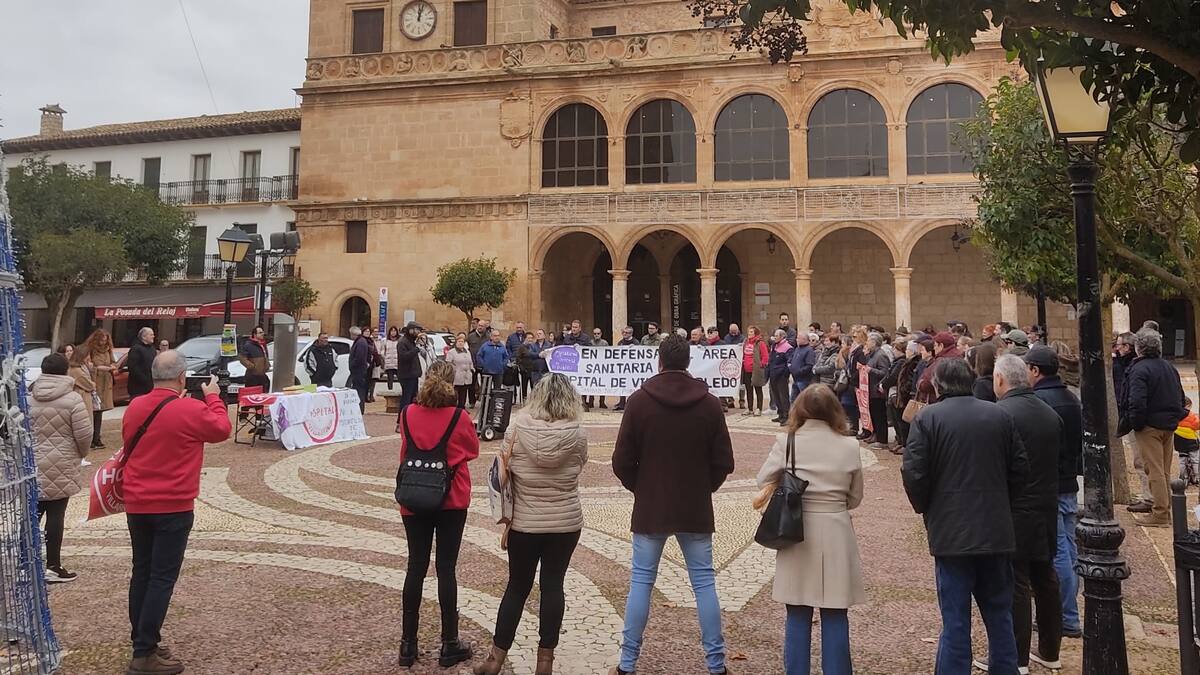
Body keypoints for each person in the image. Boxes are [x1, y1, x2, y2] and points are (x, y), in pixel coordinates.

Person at [611, 334, 735, 675]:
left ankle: (627, 664)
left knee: (641, 582)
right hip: (694, 505)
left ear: (659, 361)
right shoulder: (709, 404)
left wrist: (642, 488)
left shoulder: (638, 402)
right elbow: (724, 461)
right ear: (688, 362)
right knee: (704, 584)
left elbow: (621, 460)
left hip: (652, 505)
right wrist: (703, 488)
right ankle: (716, 665)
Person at [901, 358, 1029, 675]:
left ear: (938, 386)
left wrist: (928, 508)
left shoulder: (928, 418)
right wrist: (1002, 502)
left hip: (951, 532)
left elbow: (914, 473)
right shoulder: (998, 415)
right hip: (995, 528)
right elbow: (1020, 470)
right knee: (999, 613)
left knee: (956, 618)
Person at [122, 352, 230, 675]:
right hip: (173, 504)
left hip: (137, 502)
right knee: (161, 577)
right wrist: (213, 398)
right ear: (182, 377)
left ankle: (143, 638)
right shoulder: (190, 408)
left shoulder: (136, 406)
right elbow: (221, 429)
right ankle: (144, 652)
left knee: (141, 571)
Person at [474, 374, 588, 675]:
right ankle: (545, 662)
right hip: (565, 521)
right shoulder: (577, 433)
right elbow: (580, 466)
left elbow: (504, 468)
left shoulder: (516, 428)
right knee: (553, 587)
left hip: (524, 523)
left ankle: (495, 658)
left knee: (516, 587)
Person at [756, 385, 864, 675]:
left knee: (798, 611)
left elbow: (762, 479)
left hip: (796, 529)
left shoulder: (787, 441)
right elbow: (855, 498)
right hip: (836, 529)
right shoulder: (850, 446)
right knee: (835, 612)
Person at [396, 360, 479, 669]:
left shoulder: (407, 413)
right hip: (451, 499)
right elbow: (472, 450)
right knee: (446, 568)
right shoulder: (459, 416)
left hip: (413, 497)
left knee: (415, 566)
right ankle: (449, 643)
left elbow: (406, 449)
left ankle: (408, 644)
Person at [991, 354, 1064, 672]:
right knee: (1045, 578)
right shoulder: (1050, 414)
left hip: (1014, 507)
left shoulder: (1000, 414)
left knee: (1016, 582)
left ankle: (1016, 658)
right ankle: (1050, 651)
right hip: (1046, 505)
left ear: (1000, 380)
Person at [1025, 345, 1084, 639]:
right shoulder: (1071, 399)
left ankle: (1068, 617)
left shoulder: (1040, 402)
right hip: (1068, 482)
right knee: (1069, 551)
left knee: (1058, 553)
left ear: (1035, 370)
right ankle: (1069, 612)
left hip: (1052, 486)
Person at [31, 352, 92, 583]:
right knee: (56, 514)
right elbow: (84, 434)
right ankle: (53, 566)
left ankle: (25, 563)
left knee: (32, 514)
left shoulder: (29, 396)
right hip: (62, 461)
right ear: (65, 371)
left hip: (34, 463)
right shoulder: (73, 399)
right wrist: (80, 453)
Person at [1118, 328, 1186, 527]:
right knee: (1163, 470)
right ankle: (1164, 509)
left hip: (1150, 425)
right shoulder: (1168, 367)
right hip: (1168, 424)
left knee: (1154, 469)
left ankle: (1160, 514)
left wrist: (1137, 423)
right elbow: (1180, 396)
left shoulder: (1139, 369)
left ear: (1139, 348)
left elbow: (1136, 401)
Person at [83, 329, 117, 449]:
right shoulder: (90, 350)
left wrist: (112, 366)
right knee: (92, 411)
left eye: (106, 340)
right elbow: (88, 365)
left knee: (100, 411)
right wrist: (99, 368)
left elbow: (114, 362)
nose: (104, 342)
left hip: (105, 383)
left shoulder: (108, 350)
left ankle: (97, 437)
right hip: (95, 381)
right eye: (102, 339)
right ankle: (91, 438)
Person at [862, 334, 892, 449]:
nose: (867, 343)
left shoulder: (881, 355)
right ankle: (875, 434)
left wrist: (871, 370)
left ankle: (882, 439)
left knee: (879, 415)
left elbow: (885, 372)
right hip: (870, 389)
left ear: (874, 342)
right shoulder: (872, 355)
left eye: (869, 341)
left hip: (877, 390)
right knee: (873, 414)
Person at [67, 347, 98, 430]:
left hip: (84, 396)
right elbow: (89, 385)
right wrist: (93, 384)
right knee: (84, 422)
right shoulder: (76, 370)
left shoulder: (82, 367)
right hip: (82, 397)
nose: (88, 357)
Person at [740, 326, 769, 417]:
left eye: (751, 332)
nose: (749, 334)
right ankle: (750, 408)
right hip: (746, 370)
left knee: (758, 389)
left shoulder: (760, 343)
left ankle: (759, 408)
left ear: (755, 333)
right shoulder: (745, 342)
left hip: (756, 370)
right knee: (749, 390)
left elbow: (765, 356)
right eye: (749, 332)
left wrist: (761, 365)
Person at [768, 329, 795, 425]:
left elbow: (789, 362)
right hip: (773, 374)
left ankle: (786, 415)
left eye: (776, 336)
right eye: (774, 335)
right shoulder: (774, 346)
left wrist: (784, 373)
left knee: (783, 396)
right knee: (776, 396)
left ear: (782, 337)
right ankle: (780, 414)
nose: (774, 337)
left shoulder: (788, 347)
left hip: (781, 376)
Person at [125, 326, 157, 401]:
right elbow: (133, 367)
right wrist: (145, 379)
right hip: (138, 387)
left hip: (151, 386)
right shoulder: (136, 348)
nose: (153, 336)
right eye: (151, 334)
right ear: (144, 336)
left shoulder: (152, 348)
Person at [396, 322, 423, 410]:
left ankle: (410, 417)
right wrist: (416, 349)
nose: (418, 332)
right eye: (416, 330)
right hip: (406, 375)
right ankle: (402, 418)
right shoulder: (402, 342)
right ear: (410, 330)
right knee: (406, 399)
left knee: (412, 398)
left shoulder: (411, 342)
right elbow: (403, 356)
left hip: (413, 374)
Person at [239, 325, 271, 391]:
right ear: (255, 334)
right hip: (252, 376)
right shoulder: (248, 345)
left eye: (262, 332)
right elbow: (242, 359)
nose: (263, 334)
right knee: (252, 394)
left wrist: (267, 366)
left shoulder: (263, 344)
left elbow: (265, 357)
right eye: (260, 332)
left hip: (262, 375)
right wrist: (252, 367)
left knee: (263, 394)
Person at [447, 333, 475, 408]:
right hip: (456, 377)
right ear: (456, 342)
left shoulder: (467, 352)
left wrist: (472, 369)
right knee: (455, 394)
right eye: (459, 341)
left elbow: (470, 362)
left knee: (463, 394)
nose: (460, 343)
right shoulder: (451, 352)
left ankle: (462, 408)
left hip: (466, 377)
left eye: (462, 342)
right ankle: (453, 408)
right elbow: (448, 364)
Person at [613, 326, 638, 411]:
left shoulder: (635, 342)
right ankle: (622, 402)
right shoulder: (620, 343)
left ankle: (631, 403)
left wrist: (634, 348)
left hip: (632, 368)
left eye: (626, 333)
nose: (624, 334)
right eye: (623, 332)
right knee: (622, 384)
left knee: (632, 386)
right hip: (623, 367)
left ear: (631, 333)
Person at [467, 319, 491, 406]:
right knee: (471, 384)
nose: (480, 327)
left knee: (485, 384)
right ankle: (471, 402)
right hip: (473, 363)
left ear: (486, 327)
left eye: (482, 326)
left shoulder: (488, 337)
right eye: (479, 325)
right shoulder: (470, 336)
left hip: (484, 364)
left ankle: (484, 401)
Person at [1177, 397, 1200, 487]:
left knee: (1182, 459)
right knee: (1195, 459)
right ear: (1188, 406)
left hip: (1179, 441)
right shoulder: (1191, 415)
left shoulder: (1177, 415)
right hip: (1191, 441)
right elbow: (1197, 425)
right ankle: (1196, 477)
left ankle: (1183, 476)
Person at [349, 326, 371, 413]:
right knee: (359, 390)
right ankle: (359, 408)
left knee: (359, 390)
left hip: (359, 371)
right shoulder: (361, 341)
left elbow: (359, 358)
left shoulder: (360, 343)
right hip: (359, 370)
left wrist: (352, 365)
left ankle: (359, 409)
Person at [587, 328, 610, 410]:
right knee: (591, 383)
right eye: (595, 334)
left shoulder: (604, 343)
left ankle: (602, 402)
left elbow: (608, 354)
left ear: (601, 334)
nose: (596, 335)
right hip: (592, 366)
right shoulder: (590, 343)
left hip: (602, 366)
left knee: (602, 383)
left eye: (598, 333)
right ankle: (590, 401)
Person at [788, 332, 816, 399]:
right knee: (793, 399)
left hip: (804, 380)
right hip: (795, 379)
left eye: (798, 338)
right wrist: (790, 367)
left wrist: (799, 372)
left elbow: (809, 365)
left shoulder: (809, 350)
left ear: (804, 339)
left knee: (804, 399)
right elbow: (791, 359)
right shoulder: (797, 349)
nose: (796, 340)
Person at [381, 325, 401, 390]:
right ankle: (390, 391)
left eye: (394, 331)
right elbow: (383, 351)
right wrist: (384, 358)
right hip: (389, 364)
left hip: (398, 363)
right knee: (390, 380)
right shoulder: (385, 341)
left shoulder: (399, 341)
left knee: (401, 379)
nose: (393, 332)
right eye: (392, 331)